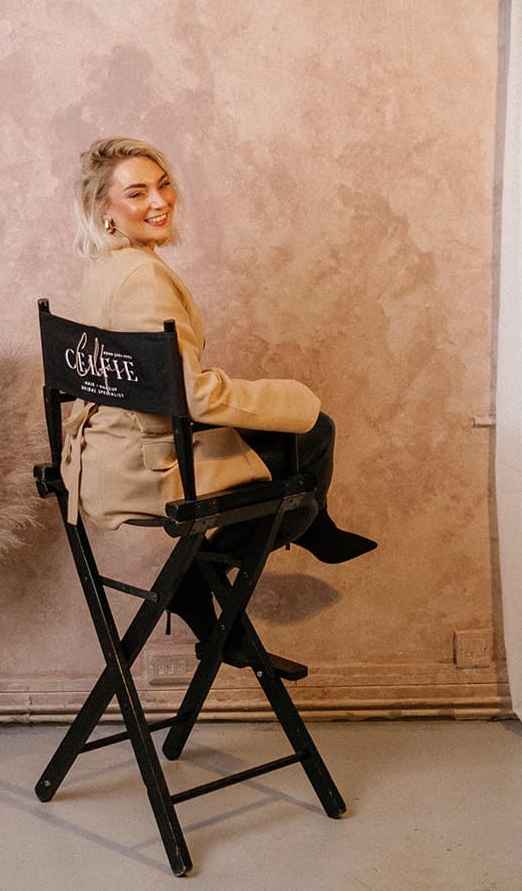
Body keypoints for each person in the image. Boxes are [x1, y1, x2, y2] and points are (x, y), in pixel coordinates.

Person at [59, 137, 376, 672]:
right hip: (143, 465)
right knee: (313, 432)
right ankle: (202, 578)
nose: (159, 201)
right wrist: (294, 396)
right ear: (104, 212)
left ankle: (302, 526)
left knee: (293, 443)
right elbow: (189, 393)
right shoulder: (143, 281)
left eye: (162, 185)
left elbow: (160, 383)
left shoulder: (109, 268)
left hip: (111, 450)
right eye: (137, 193)